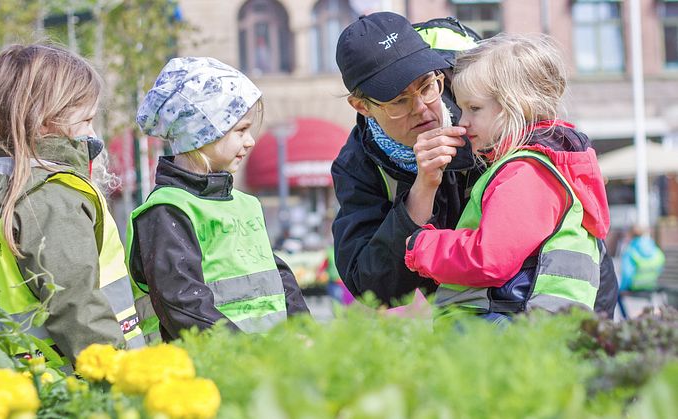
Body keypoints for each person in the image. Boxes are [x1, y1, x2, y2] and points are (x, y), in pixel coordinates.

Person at [332, 11, 618, 317]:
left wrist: (422, 246)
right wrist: (422, 190)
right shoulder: (357, 165)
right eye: (399, 101)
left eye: (427, 85)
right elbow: (374, 287)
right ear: (362, 106)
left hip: (563, 306)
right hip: (480, 323)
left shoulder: (480, 99)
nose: (422, 108)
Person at [0, 43, 144, 368]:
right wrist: (121, 380)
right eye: (86, 120)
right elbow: (78, 308)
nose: (92, 134)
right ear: (46, 122)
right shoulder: (51, 198)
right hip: (75, 387)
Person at [404, 33, 610, 315]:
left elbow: (489, 258)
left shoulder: (526, 172)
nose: (463, 122)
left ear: (517, 105)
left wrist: (422, 245)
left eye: (474, 108)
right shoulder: (538, 166)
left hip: (508, 321)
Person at [127, 57, 310, 340]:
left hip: (268, 369)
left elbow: (279, 279)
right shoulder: (167, 210)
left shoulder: (245, 203)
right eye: (240, 130)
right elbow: (184, 304)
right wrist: (244, 353)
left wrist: (304, 334)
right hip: (208, 372)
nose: (250, 141)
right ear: (201, 132)